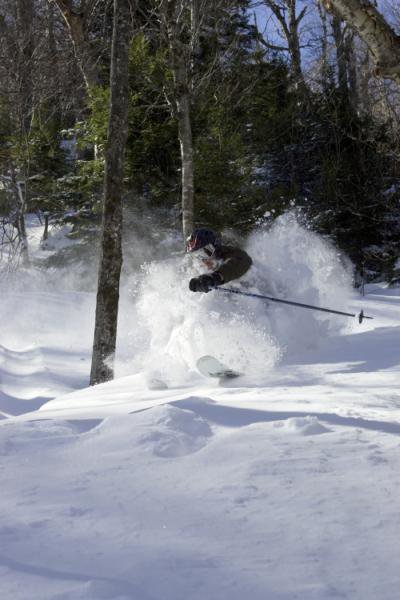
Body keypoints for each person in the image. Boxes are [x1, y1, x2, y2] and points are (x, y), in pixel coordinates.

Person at [186, 227, 252, 293]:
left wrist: (214, 278)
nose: (203, 261)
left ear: (214, 248)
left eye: (203, 255)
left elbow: (240, 263)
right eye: (198, 256)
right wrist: (197, 284)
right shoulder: (204, 267)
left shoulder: (234, 254)